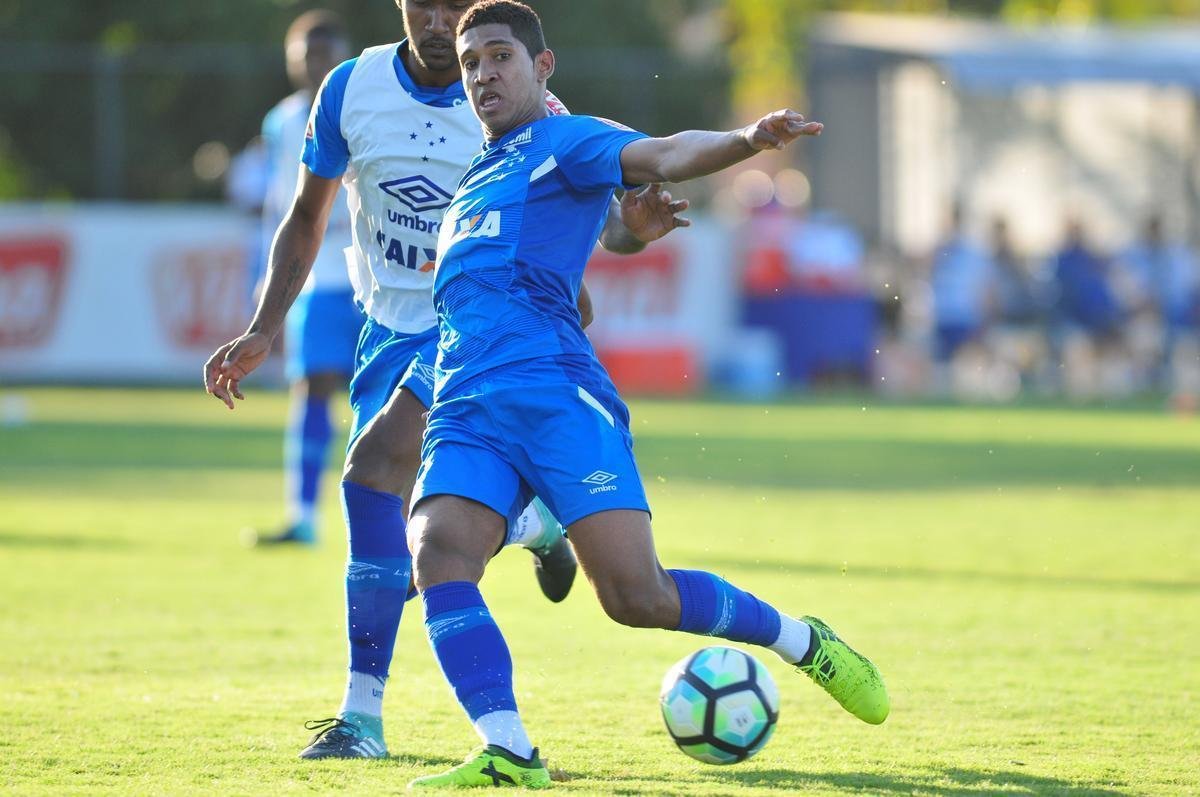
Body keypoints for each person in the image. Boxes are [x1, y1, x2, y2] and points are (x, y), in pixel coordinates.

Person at [404, 2, 889, 789]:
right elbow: (584, 249)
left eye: (500, 56)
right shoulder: (475, 181)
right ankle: (510, 750)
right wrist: (626, 234)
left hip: (557, 397)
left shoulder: (566, 138)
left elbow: (662, 152)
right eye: (471, 64)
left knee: (637, 597)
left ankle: (805, 641)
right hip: (465, 407)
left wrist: (744, 142)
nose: (484, 74)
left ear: (541, 66)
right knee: (434, 551)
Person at [203, 0, 686, 761]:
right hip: (385, 329)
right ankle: (531, 524)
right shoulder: (349, 89)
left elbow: (605, 222)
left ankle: (362, 717)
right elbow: (305, 213)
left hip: (477, 330)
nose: (438, 20)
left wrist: (635, 229)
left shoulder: (521, 97)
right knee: (404, 546)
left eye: (453, 6)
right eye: (422, 5)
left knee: (370, 471)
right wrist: (264, 327)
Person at [250, 10, 361, 547]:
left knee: (387, 397)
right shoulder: (281, 121)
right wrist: (265, 275)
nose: (313, 65)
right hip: (314, 276)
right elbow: (279, 206)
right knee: (310, 386)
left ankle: (396, 519)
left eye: (323, 55)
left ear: (341, 55)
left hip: (370, 271)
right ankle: (303, 516)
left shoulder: (363, 106)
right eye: (304, 57)